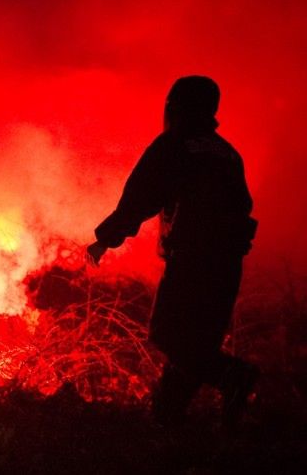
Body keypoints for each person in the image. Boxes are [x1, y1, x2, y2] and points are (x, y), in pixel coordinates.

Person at [86, 75, 259, 427]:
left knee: (167, 332)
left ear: (175, 106)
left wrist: (107, 237)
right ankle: (168, 418)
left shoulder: (174, 145)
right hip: (226, 265)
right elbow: (242, 205)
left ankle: (233, 377)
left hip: (192, 261)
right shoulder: (227, 153)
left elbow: (141, 197)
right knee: (198, 342)